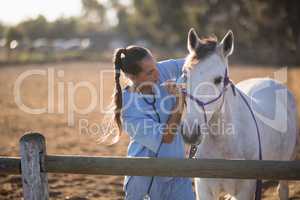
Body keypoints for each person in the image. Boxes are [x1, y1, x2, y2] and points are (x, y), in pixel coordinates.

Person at [112, 45, 195, 200]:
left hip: (178, 174)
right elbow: (167, 137)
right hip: (144, 183)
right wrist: (179, 99)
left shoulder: (161, 70)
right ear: (132, 76)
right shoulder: (129, 110)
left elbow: (195, 62)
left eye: (155, 66)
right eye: (149, 72)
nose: (158, 73)